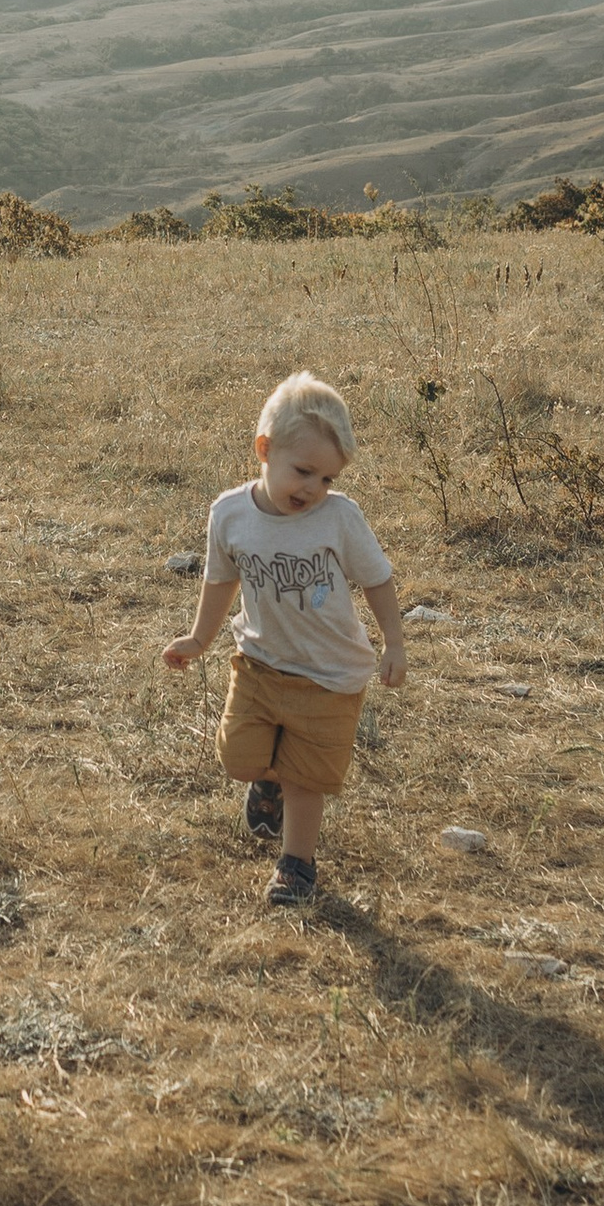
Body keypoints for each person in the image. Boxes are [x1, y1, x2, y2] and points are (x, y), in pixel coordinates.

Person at [161, 374, 405, 908]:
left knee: (307, 780)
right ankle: (265, 782)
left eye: (327, 477)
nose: (313, 489)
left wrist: (394, 642)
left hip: (331, 676)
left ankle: (296, 865)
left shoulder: (339, 518)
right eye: (303, 472)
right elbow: (220, 578)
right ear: (264, 450)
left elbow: (377, 579)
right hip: (260, 663)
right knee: (240, 760)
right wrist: (200, 638)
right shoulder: (230, 514)